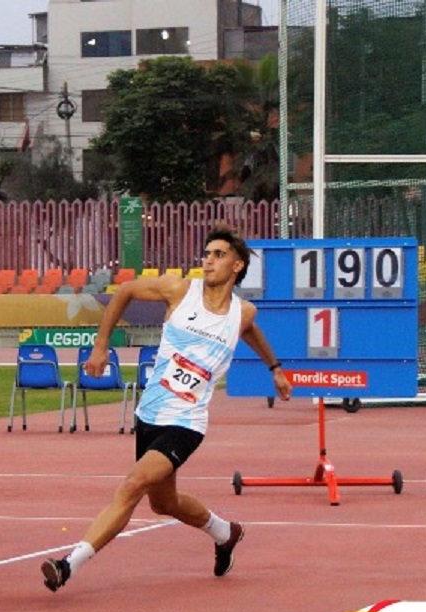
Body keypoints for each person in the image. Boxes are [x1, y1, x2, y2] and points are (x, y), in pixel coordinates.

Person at [41, 227, 292, 592]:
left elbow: (249, 330)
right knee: (164, 503)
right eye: (206, 253)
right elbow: (125, 291)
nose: (208, 260)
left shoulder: (243, 312)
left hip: (186, 423)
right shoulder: (180, 290)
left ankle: (68, 565)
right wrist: (100, 346)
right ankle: (225, 533)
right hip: (150, 414)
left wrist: (275, 369)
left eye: (218, 255)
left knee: (133, 485)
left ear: (237, 266)